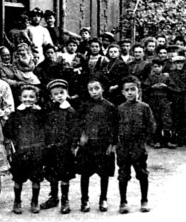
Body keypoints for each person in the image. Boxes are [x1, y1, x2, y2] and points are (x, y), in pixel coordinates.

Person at [76, 79, 119, 213]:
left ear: (103, 89)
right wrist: (82, 135)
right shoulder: (84, 106)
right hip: (88, 144)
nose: (94, 92)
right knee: (85, 173)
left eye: (97, 88)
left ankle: (103, 199)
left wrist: (112, 143)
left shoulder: (110, 106)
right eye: (91, 89)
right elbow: (79, 123)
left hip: (103, 144)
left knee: (104, 173)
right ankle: (84, 199)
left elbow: (114, 126)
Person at [116, 76, 156, 214]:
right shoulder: (120, 108)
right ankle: (123, 202)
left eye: (133, 89)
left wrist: (145, 140)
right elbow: (115, 127)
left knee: (142, 173)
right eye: (127, 90)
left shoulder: (144, 107)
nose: (130, 93)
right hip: (123, 147)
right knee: (123, 174)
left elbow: (151, 126)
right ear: (122, 92)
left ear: (138, 91)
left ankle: (144, 200)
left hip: (138, 146)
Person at [40, 79, 80, 214]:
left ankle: (65, 199)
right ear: (51, 97)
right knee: (52, 173)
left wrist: (74, 146)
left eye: (62, 93)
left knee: (64, 174)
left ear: (67, 93)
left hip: (64, 148)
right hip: (51, 147)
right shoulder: (49, 110)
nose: (59, 96)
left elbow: (75, 130)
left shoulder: (70, 111)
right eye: (56, 94)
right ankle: (54, 197)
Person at [4, 85, 46, 214]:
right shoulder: (15, 114)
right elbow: (8, 131)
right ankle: (17, 201)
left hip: (36, 150)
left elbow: (45, 129)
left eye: (31, 97)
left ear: (36, 98)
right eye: (25, 96)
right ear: (20, 98)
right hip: (21, 151)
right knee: (18, 179)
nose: (28, 99)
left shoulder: (40, 113)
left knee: (36, 178)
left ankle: (35, 201)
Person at [142, 59, 175, 149]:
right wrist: (152, 87)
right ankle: (157, 140)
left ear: (162, 67)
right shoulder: (150, 77)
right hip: (153, 101)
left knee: (166, 119)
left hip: (164, 100)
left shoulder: (166, 77)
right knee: (156, 120)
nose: (157, 69)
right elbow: (145, 89)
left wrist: (166, 87)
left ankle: (168, 141)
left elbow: (172, 88)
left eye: (159, 67)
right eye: (155, 67)